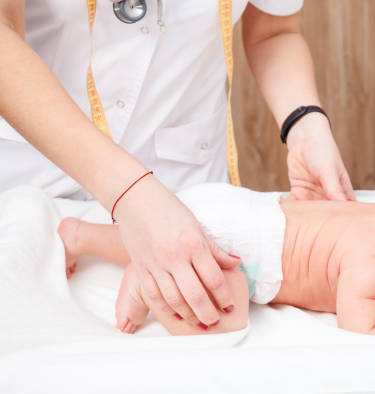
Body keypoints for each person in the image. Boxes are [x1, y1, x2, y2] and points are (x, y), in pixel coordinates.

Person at [0, 1, 354, 329]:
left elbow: (274, 32)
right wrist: (130, 192)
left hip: (185, 189)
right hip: (34, 179)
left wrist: (305, 124)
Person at [58, 183, 375, 336]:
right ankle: (149, 284)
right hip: (241, 243)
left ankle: (81, 235)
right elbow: (362, 328)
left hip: (233, 209)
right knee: (223, 320)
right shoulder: (372, 262)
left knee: (166, 241)